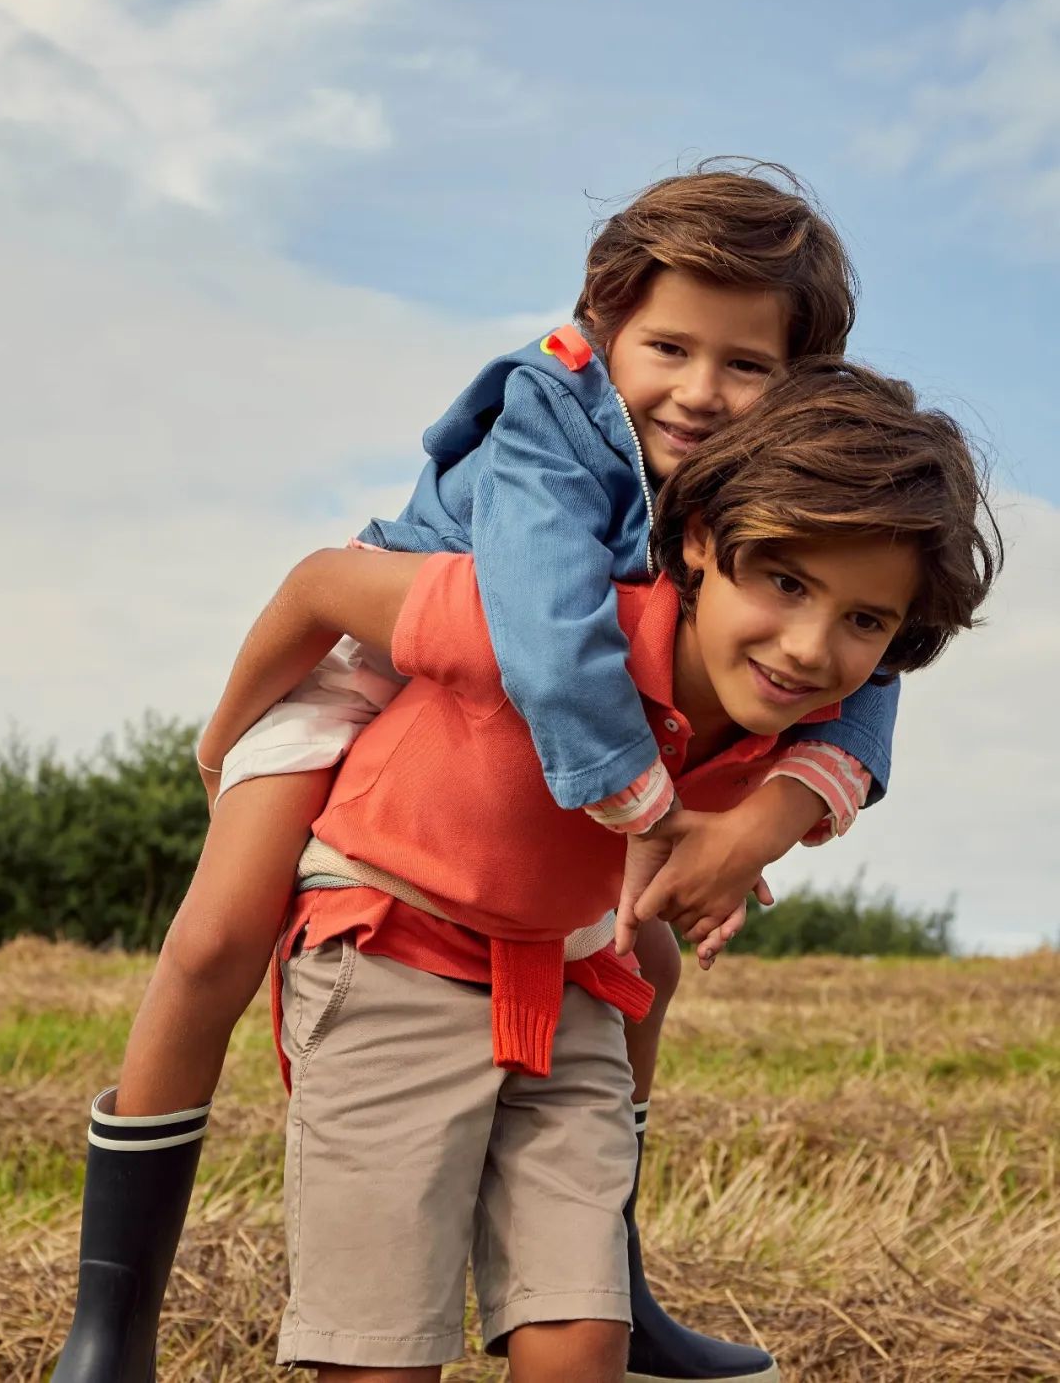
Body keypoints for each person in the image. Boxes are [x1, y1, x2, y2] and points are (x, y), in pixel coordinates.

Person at [53, 166, 894, 1383]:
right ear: (603, 325)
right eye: (668, 346)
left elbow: (880, 652)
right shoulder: (551, 414)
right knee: (218, 937)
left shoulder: (780, 485)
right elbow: (540, 629)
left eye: (748, 367)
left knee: (639, 959)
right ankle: (111, 1324)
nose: (702, 393)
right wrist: (231, 728)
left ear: (798, 378)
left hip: (540, 704)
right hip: (395, 638)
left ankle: (611, 1281)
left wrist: (773, 814)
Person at [218, 361, 998, 1380]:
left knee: (584, 1339)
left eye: (864, 621)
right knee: (379, 1356)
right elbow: (323, 584)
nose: (811, 648)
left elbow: (836, 767)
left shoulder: (790, 723)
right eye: (787, 583)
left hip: (569, 989)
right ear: (702, 543)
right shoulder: (535, 624)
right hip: (392, 953)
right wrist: (224, 743)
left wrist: (733, 861)